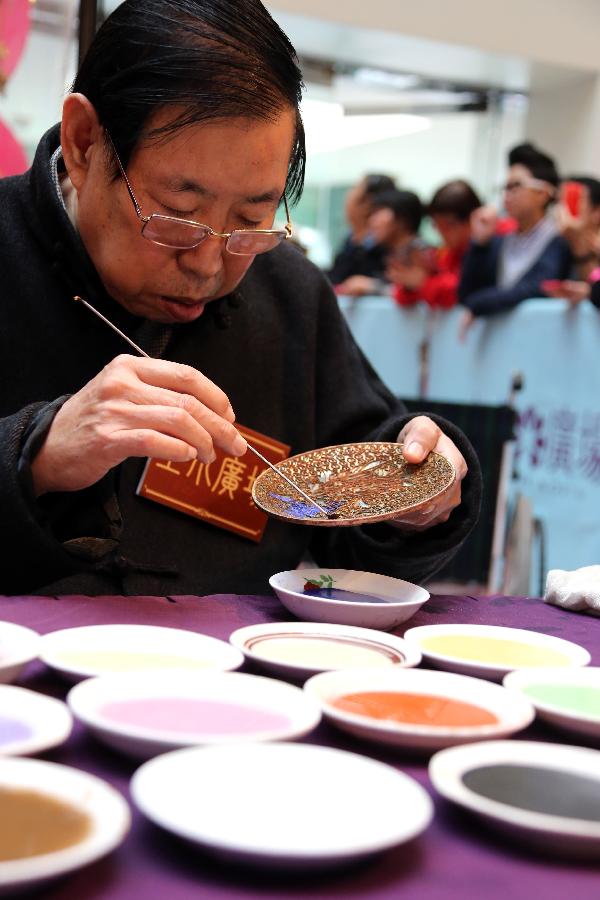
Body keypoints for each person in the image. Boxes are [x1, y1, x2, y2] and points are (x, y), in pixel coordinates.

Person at [0, 0, 481, 597]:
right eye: (178, 216)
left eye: (251, 218)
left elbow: (361, 545)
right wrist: (35, 458)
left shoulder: (290, 293)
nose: (209, 263)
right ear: (83, 141)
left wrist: (421, 496)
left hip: (238, 681)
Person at [458, 142, 572, 330]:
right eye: (505, 187)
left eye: (516, 186)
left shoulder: (560, 240)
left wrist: (481, 304)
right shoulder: (499, 241)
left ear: (543, 193)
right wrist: (479, 244)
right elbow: (466, 295)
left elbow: (539, 287)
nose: (507, 195)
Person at [390, 179, 482, 310]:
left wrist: (423, 283)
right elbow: (403, 296)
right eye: (436, 225)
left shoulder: (485, 249)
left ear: (472, 219)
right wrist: (410, 286)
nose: (440, 232)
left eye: (446, 225)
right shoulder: (445, 254)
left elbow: (462, 291)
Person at [335, 189, 425, 298]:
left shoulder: (421, 253)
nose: (371, 220)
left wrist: (371, 286)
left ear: (402, 219)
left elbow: (423, 291)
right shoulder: (388, 253)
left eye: (378, 212)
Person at [327, 173, 396, 286]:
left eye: (355, 189)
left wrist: (373, 285)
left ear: (367, 203)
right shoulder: (351, 240)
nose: (348, 195)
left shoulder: (385, 246)